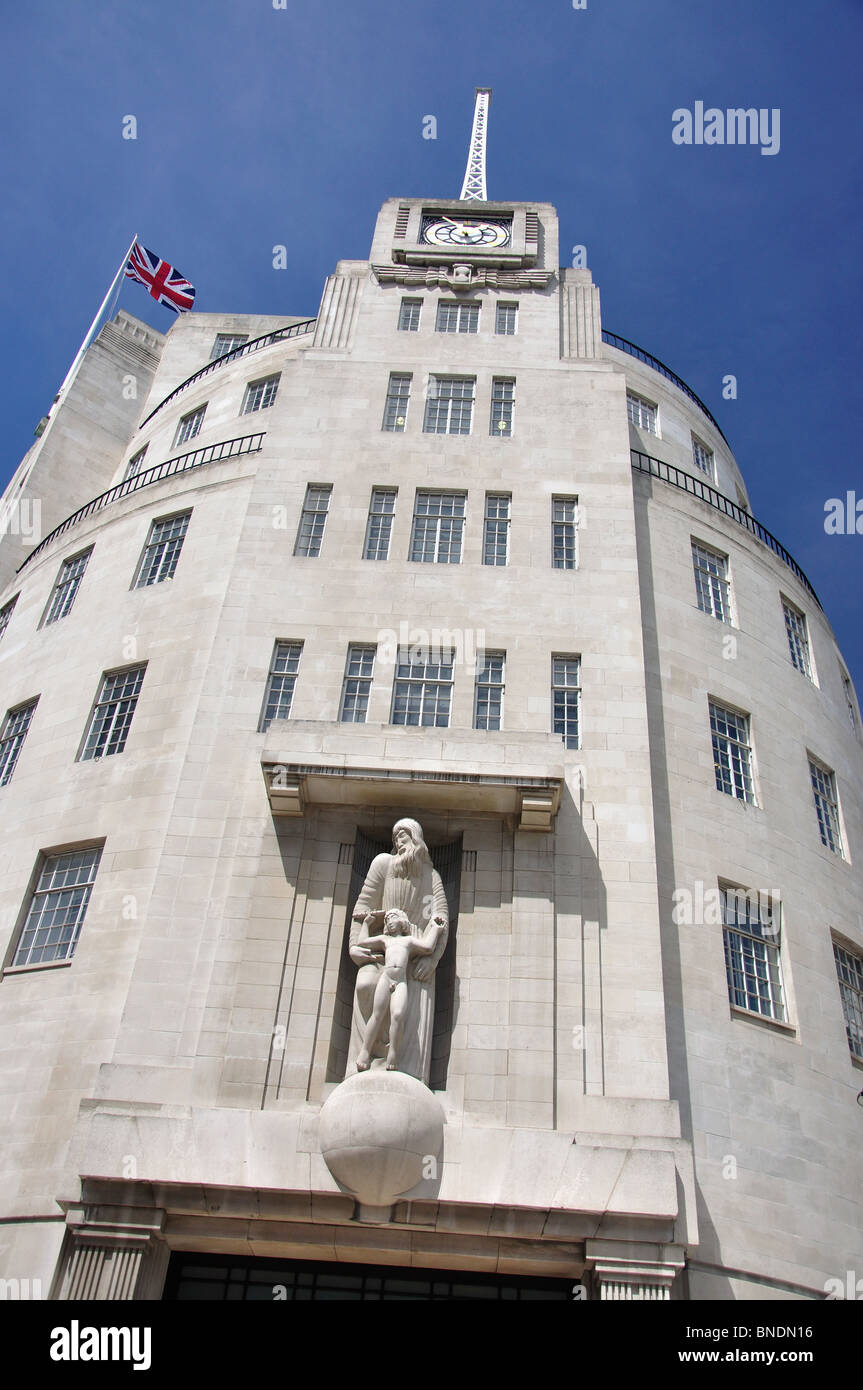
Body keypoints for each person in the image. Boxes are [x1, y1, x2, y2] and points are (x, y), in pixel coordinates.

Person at [348, 819, 449, 1082]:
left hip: (413, 957)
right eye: (395, 838)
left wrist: (434, 960)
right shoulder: (383, 864)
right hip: (382, 947)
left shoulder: (431, 876)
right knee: (364, 984)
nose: (398, 841)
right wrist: (353, 947)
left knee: (402, 1009)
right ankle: (364, 1059)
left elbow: (440, 918)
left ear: (416, 838)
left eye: (403, 835)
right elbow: (363, 907)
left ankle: (402, 1066)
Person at [355, 910, 446, 1071]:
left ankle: (393, 1054)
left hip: (400, 981)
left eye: (393, 918)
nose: (389, 921)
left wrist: (435, 928)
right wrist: (367, 923)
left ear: (402, 921)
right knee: (377, 1015)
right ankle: (364, 1051)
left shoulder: (408, 941)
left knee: (397, 1015)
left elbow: (428, 947)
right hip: (386, 978)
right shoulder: (385, 940)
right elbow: (362, 941)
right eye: (387, 919)